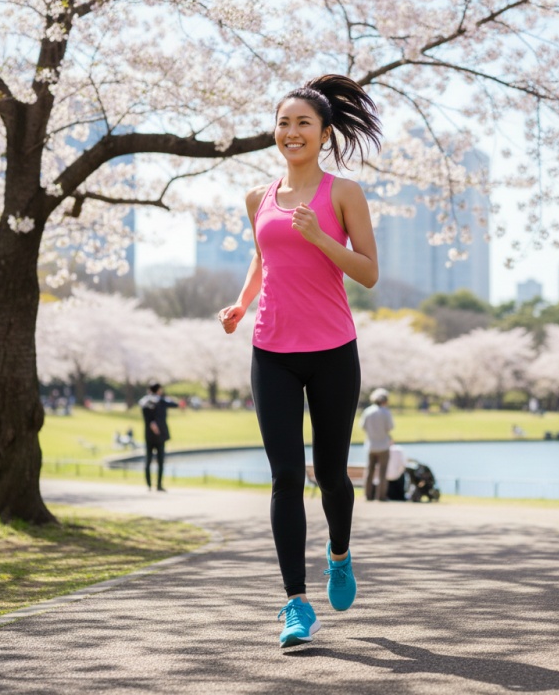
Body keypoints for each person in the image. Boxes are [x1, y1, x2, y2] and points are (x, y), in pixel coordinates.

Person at [218, 74, 381, 648]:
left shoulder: (343, 194)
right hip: (272, 352)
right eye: (284, 123)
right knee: (286, 477)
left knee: (331, 476)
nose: (291, 132)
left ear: (324, 133)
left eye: (303, 124)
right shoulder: (256, 198)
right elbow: (264, 262)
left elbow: (366, 272)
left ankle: (340, 553)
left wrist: (321, 238)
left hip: (333, 351)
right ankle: (295, 605)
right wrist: (242, 304)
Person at [139, 383, 180, 492]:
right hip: (160, 436)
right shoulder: (161, 401)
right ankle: (158, 485)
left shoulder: (145, 401)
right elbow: (175, 405)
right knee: (160, 461)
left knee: (148, 460)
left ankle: (149, 485)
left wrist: (151, 423)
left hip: (149, 436)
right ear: (158, 390)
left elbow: (145, 413)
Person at [361, 388, 394, 502]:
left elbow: (363, 426)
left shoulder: (367, 411)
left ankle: (367, 494)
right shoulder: (386, 412)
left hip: (371, 445)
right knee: (382, 472)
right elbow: (390, 427)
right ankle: (381, 496)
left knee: (369, 471)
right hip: (383, 445)